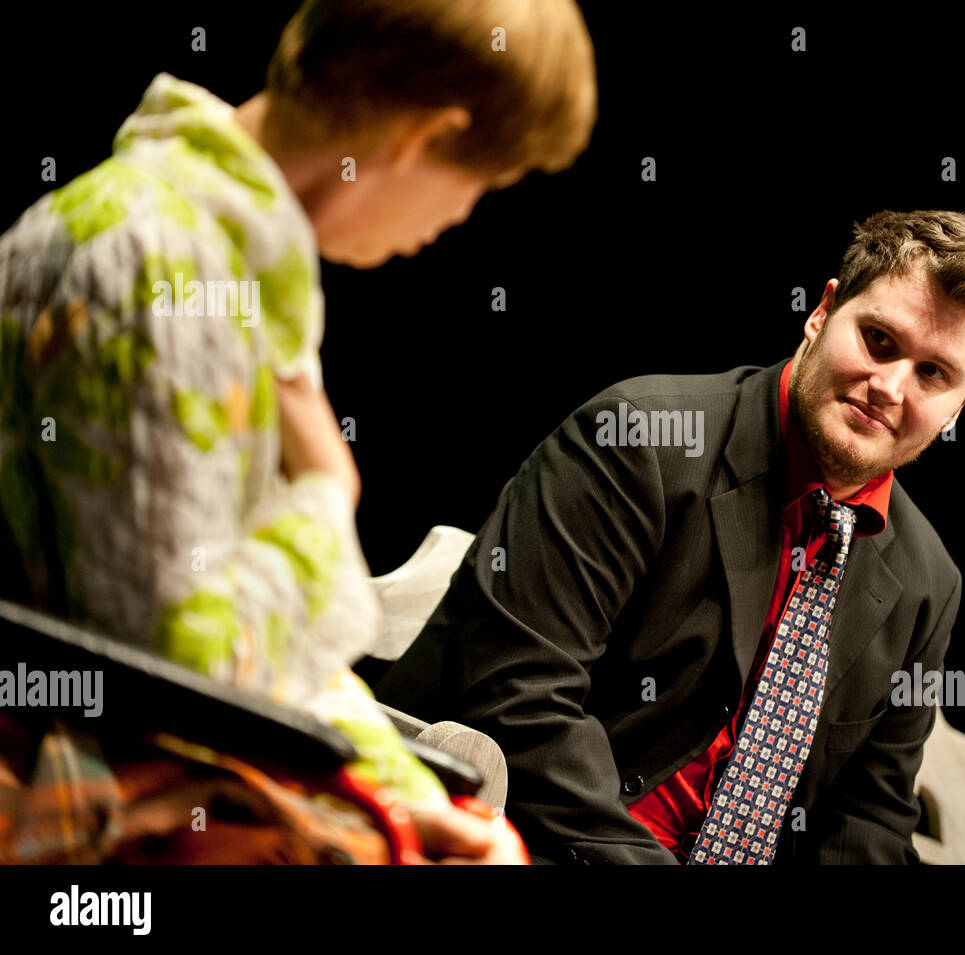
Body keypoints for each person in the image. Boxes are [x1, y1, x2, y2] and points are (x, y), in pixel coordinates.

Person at [0, 0, 596, 863]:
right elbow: (180, 670)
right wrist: (326, 495)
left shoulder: (164, 238)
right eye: (482, 185)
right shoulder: (169, 269)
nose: (460, 219)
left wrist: (400, 792)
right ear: (418, 139)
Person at [376, 210, 965, 864]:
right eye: (879, 339)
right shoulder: (638, 440)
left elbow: (870, 818)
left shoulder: (928, 584)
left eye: (933, 373)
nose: (889, 386)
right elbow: (518, 696)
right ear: (823, 312)